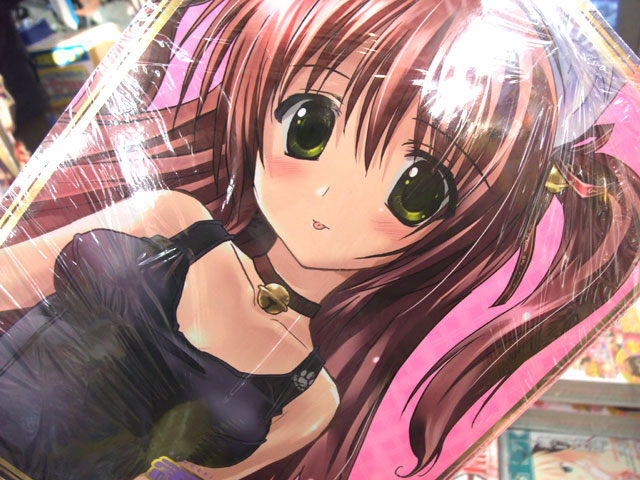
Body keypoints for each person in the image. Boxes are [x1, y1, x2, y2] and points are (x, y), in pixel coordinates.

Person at [0, 0, 639, 479]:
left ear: (466, 225)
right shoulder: (166, 221)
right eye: (309, 125)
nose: (330, 195)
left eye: (418, 189)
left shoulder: (310, 400)